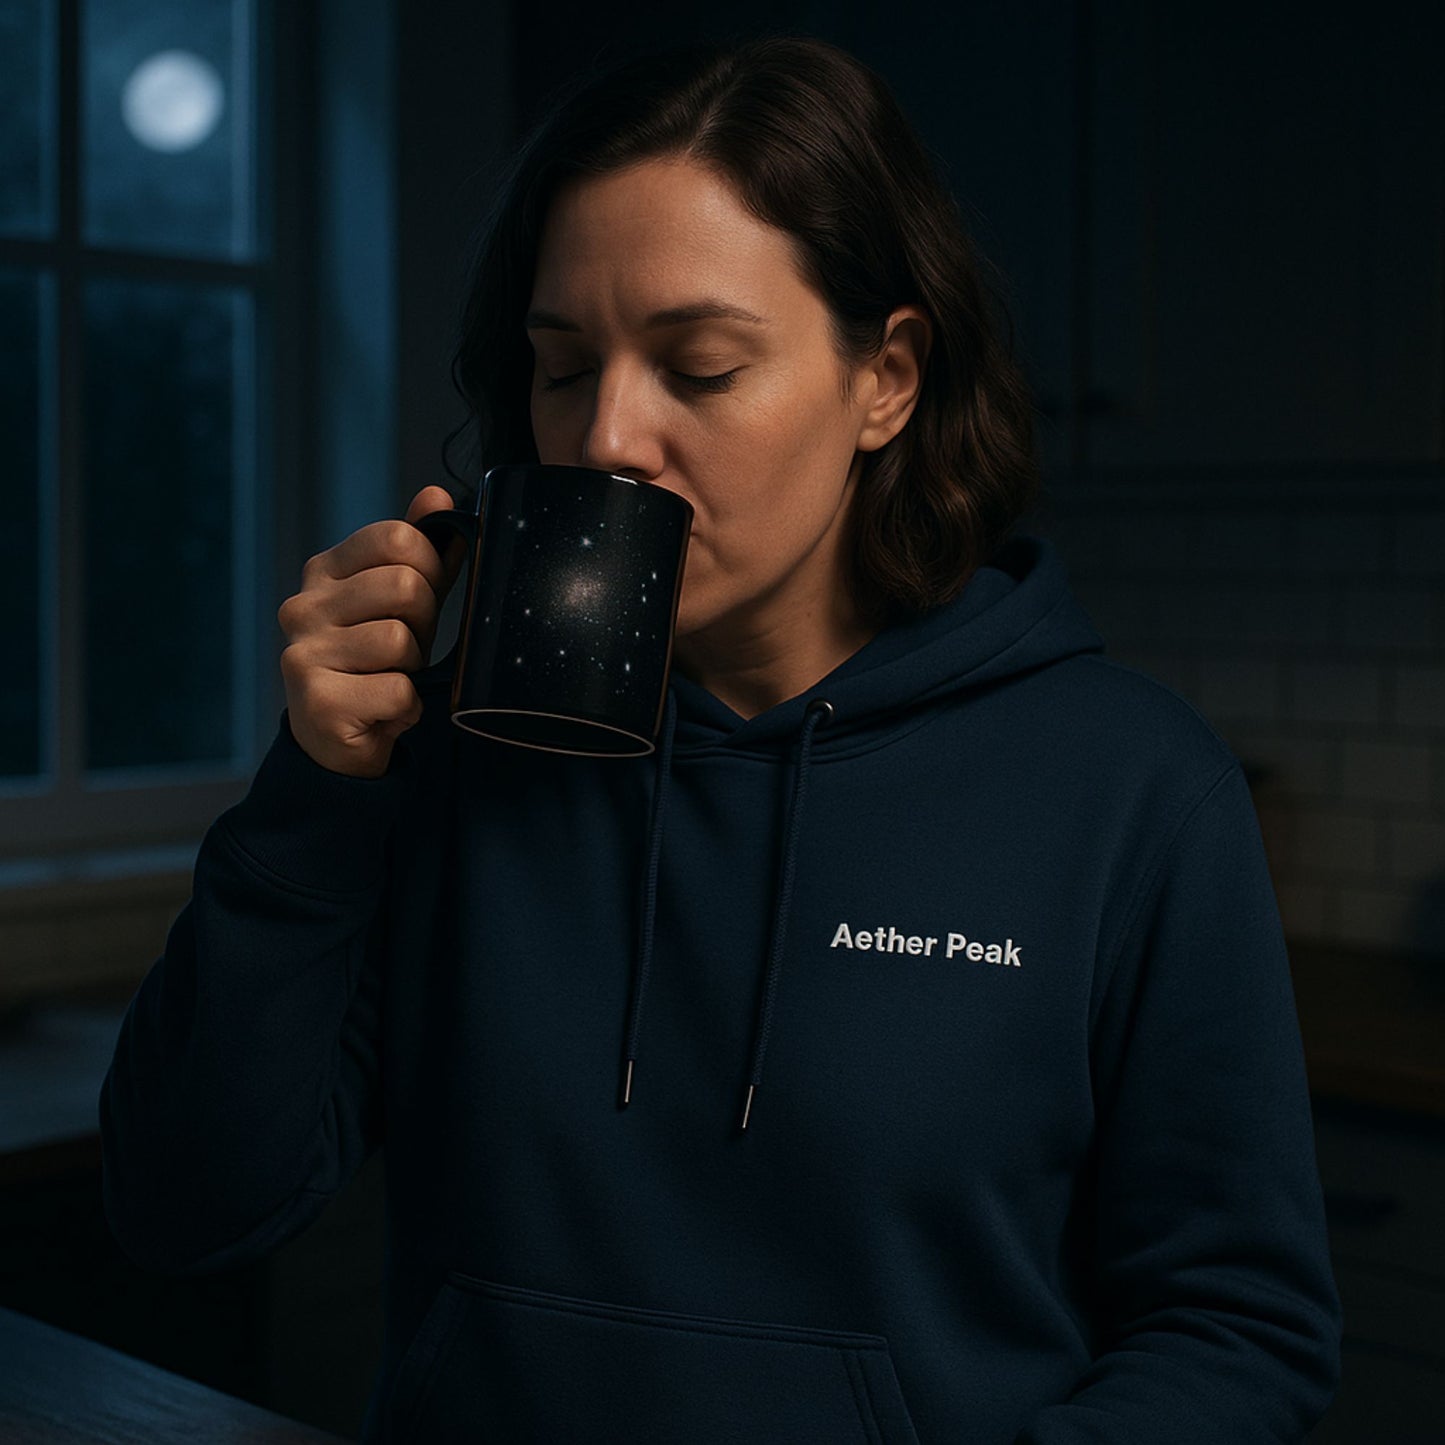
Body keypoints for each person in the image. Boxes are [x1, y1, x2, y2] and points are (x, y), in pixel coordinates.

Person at [100, 35, 1342, 1444]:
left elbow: (1239, 1328)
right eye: (563, 368)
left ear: (886, 377)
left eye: (697, 367)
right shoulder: (463, 761)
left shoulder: (1130, 788)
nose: (607, 438)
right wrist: (315, 795)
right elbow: (184, 1207)